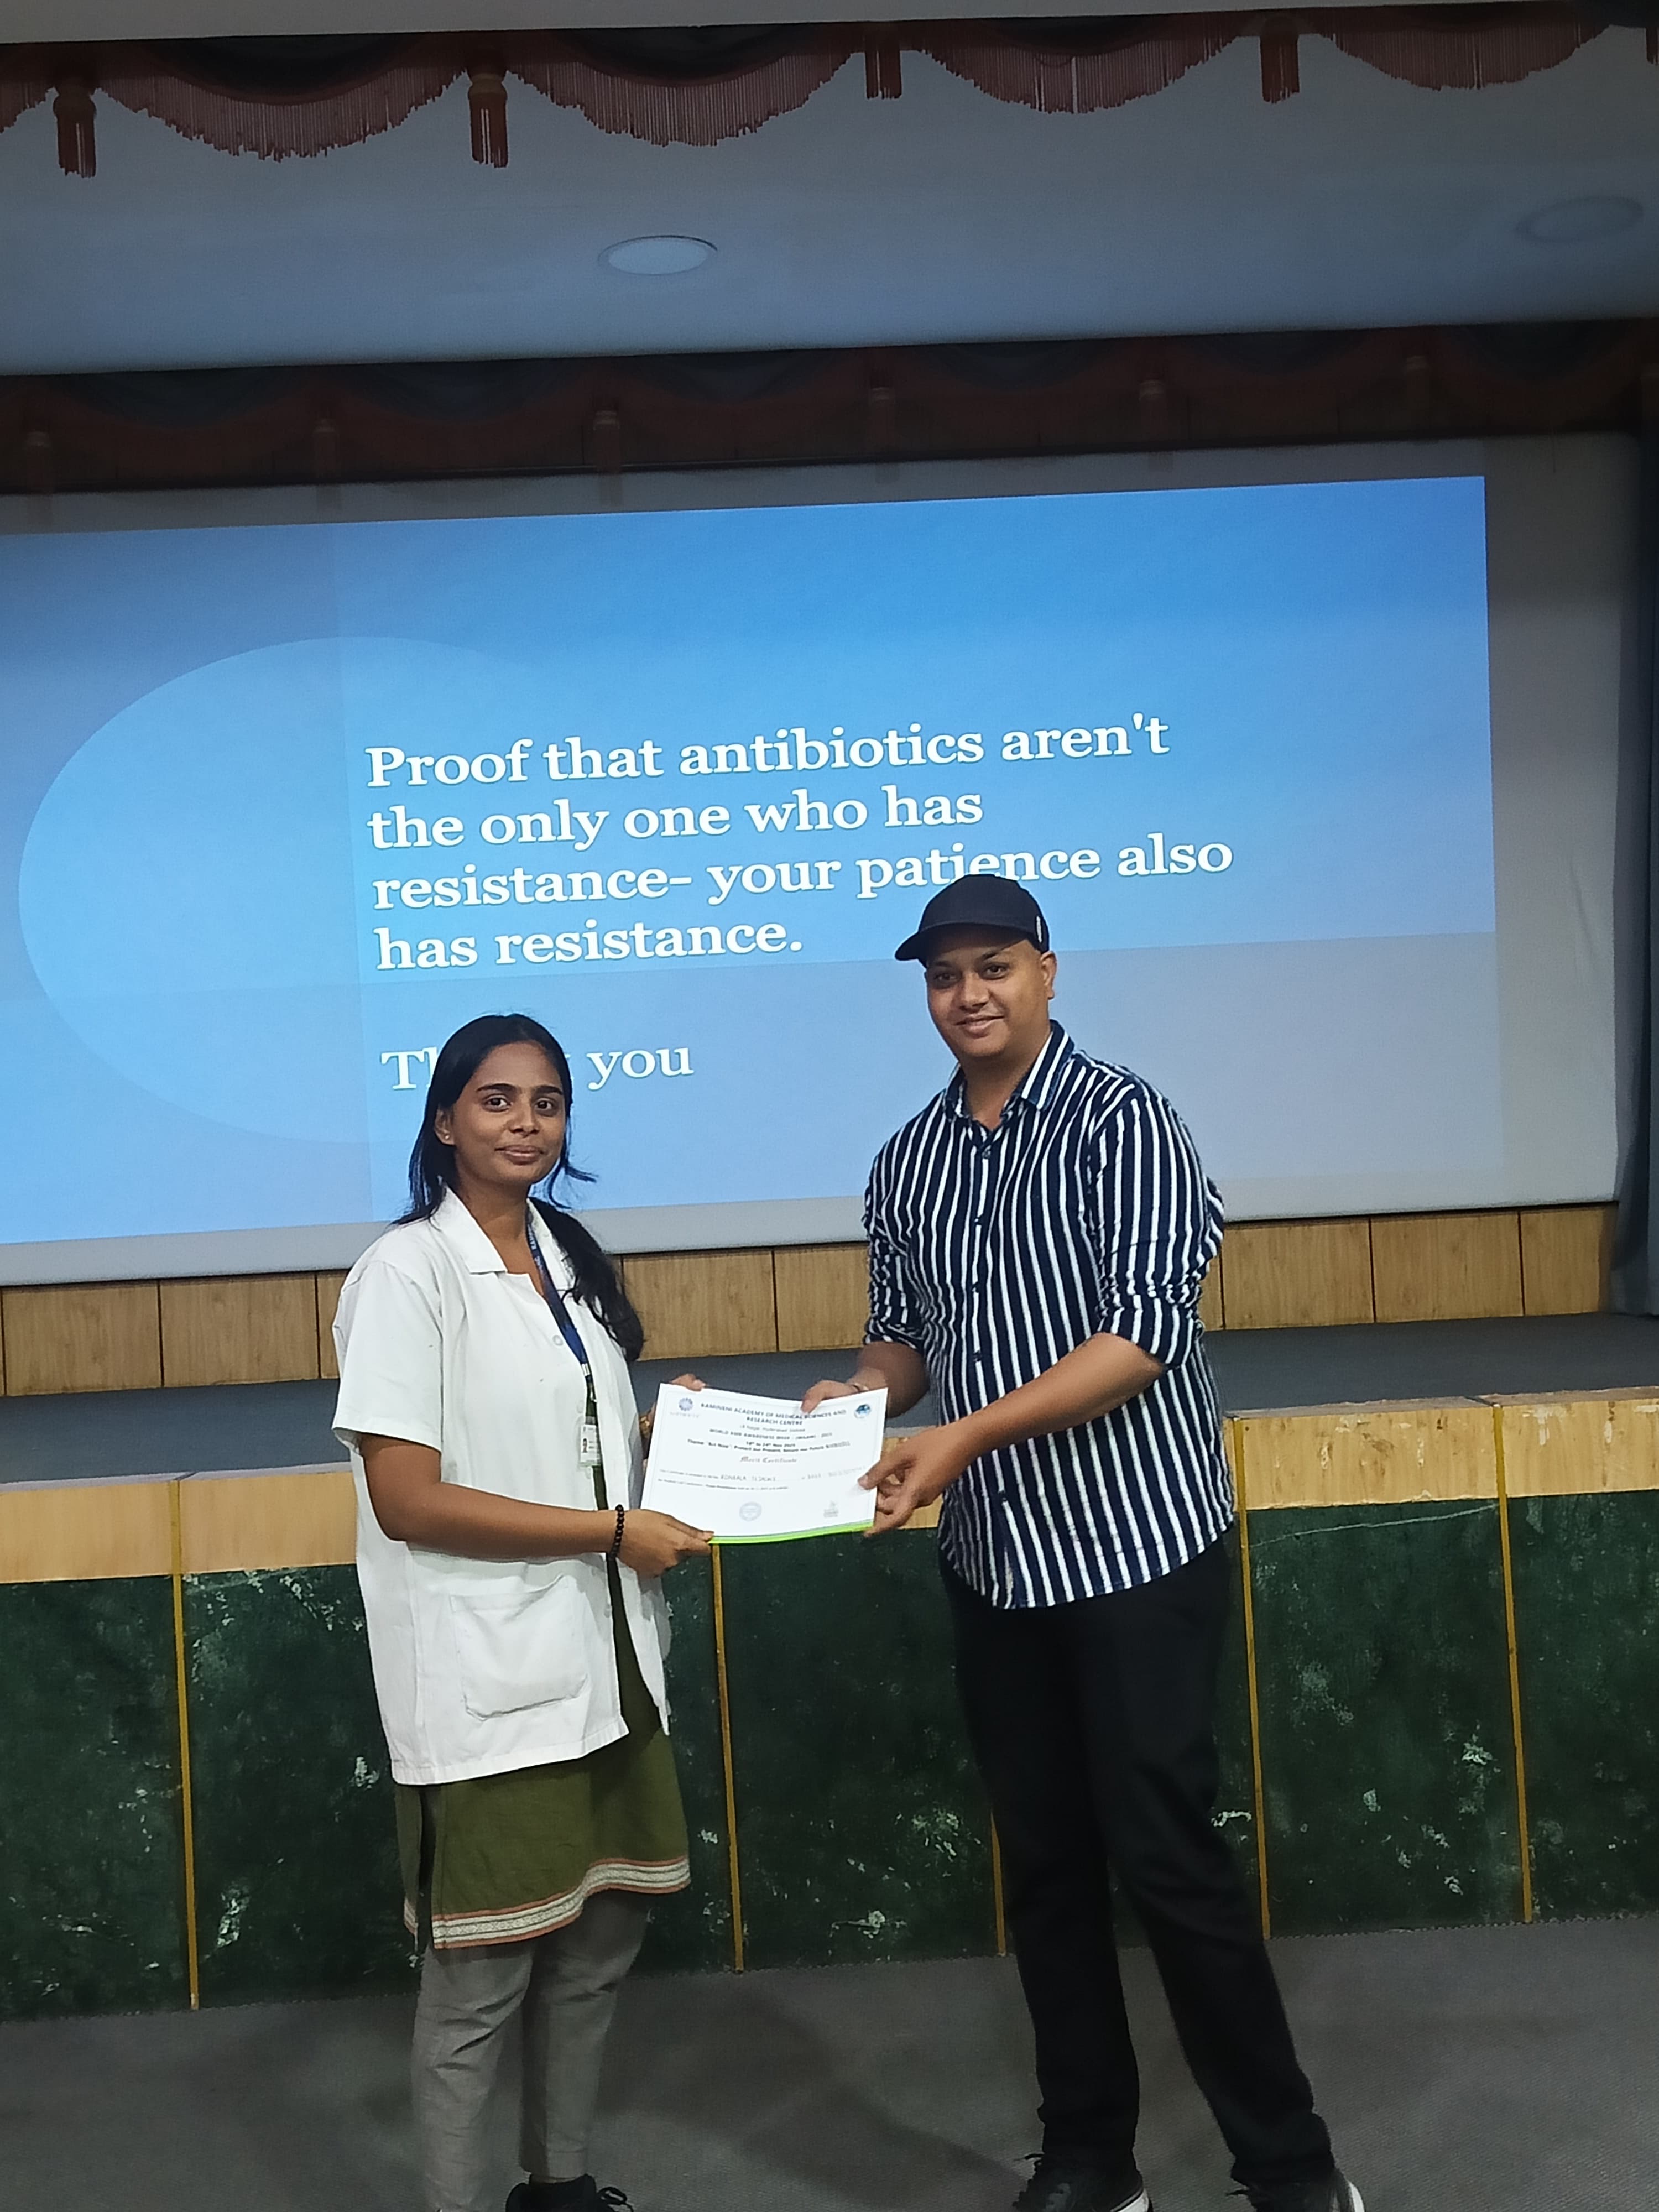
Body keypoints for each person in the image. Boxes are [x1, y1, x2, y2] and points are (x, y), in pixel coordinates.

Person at [806, 880, 1361, 2212]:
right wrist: (858, 1397)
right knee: (1048, 1868)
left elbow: (1144, 1332)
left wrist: (960, 1435)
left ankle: (1291, 2166)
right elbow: (906, 1339)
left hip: (1134, 1546)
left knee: (1169, 1858)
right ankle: (1091, 2157)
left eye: (994, 966)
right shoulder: (907, 1157)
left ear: (1048, 972)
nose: (969, 994)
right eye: (945, 976)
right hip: (996, 1560)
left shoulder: (1128, 1120)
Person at [333, 1012, 712, 2212]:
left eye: (547, 1102)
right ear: (445, 1119)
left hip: (609, 1662)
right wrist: (611, 1532)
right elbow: (407, 1499)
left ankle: (560, 2184)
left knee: (600, 1943)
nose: (526, 1123)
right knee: (479, 1980)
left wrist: (669, 1432)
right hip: (487, 1684)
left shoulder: (566, 1256)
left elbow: (565, 1441)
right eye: (497, 1100)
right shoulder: (406, 1273)